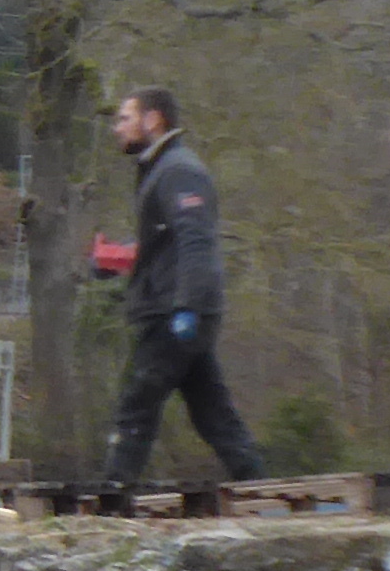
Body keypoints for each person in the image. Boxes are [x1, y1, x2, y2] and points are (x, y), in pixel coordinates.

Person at [92, 83, 265, 491]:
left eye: (125, 118)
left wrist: (186, 306)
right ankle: (262, 490)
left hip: (173, 312)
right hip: (175, 306)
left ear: (153, 120)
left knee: (137, 404)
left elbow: (196, 240)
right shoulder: (161, 170)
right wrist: (116, 260)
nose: (117, 128)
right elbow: (166, 243)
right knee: (213, 414)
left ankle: (113, 496)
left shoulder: (179, 171)